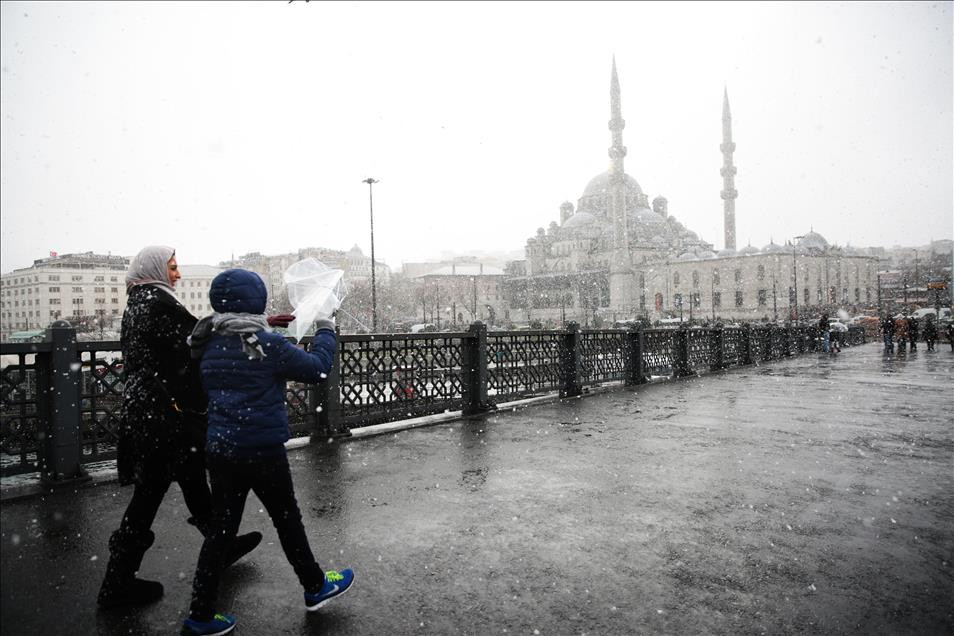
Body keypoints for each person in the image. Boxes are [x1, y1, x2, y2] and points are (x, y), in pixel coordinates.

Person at [182, 269, 354, 636]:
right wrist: (325, 328)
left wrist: (265, 327)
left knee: (221, 531)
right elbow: (317, 369)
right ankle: (315, 586)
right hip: (261, 450)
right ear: (256, 300)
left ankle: (200, 614)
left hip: (221, 449)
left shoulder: (207, 341)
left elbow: (241, 349)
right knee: (287, 520)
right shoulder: (266, 344)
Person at [98, 247, 262, 609]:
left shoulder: (139, 302)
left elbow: (186, 339)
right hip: (162, 415)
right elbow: (194, 339)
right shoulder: (156, 302)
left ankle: (222, 544)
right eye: (172, 267)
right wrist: (247, 327)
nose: (177, 274)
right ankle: (117, 583)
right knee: (149, 495)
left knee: (189, 478)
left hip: (151, 410)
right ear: (155, 269)